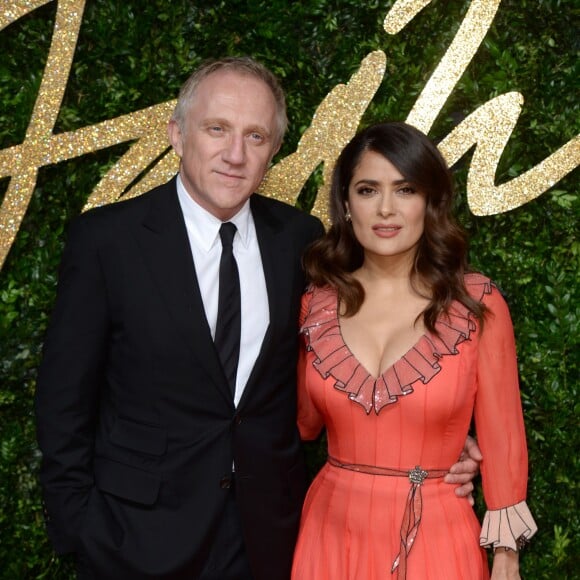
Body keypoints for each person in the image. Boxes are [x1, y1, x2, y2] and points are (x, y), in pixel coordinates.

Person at [35, 58, 480, 580]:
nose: (235, 154)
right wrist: (79, 527)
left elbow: (333, 372)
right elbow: (63, 400)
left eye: (256, 136)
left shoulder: (298, 240)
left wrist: (438, 449)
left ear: (273, 151)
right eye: (217, 129)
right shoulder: (107, 241)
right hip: (133, 539)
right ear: (177, 134)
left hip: (266, 537)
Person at [291, 122, 537, 580]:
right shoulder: (316, 304)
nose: (386, 209)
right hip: (330, 529)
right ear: (346, 204)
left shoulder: (475, 304)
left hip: (436, 533)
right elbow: (303, 424)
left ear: (430, 202)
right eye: (368, 190)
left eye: (405, 189)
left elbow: (504, 439)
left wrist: (506, 557)